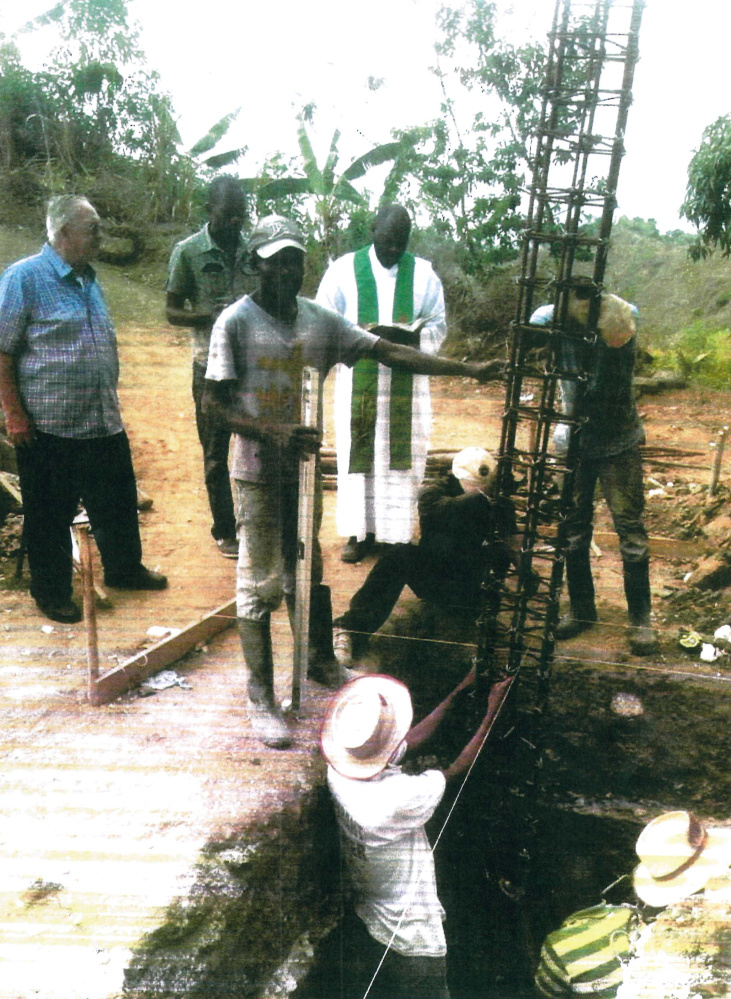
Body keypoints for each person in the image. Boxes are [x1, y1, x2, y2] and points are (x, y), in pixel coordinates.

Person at [202, 215, 503, 750]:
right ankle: (260, 695)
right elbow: (214, 405)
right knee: (259, 582)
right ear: (258, 264)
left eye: (296, 259)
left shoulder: (319, 321)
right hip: (256, 471)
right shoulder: (235, 323)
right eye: (278, 261)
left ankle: (318, 660)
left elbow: (387, 351)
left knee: (309, 567)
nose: (290, 270)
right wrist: (272, 431)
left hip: (301, 473)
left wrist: (466, 369)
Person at [0, 195, 167, 624]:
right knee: (49, 513)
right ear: (62, 233)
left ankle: (125, 570)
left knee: (115, 501)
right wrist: (14, 414)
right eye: (93, 228)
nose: (101, 235)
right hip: (49, 425)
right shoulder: (25, 278)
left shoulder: (88, 278)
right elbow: (2, 351)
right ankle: (52, 592)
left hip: (100, 418)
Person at [320, 670, 512, 999]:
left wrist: (460, 689)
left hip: (369, 912)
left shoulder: (341, 767)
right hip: (413, 935)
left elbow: (409, 740)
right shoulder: (394, 799)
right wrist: (494, 709)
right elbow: (457, 769)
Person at [530, 279, 657, 656]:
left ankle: (640, 619)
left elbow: (627, 318)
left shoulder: (619, 316)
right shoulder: (551, 318)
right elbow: (529, 332)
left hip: (619, 441)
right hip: (573, 441)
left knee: (630, 530)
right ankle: (582, 609)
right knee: (572, 530)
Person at [316, 204, 447, 563]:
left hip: (407, 386)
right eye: (387, 243)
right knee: (359, 456)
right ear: (373, 229)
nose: (392, 251)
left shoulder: (423, 274)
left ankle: (396, 536)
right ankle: (360, 534)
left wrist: (412, 340)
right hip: (359, 378)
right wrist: (355, 343)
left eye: (399, 245)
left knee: (400, 460)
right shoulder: (343, 271)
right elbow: (322, 321)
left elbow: (438, 325)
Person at [332, 446, 518, 666]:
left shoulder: (495, 502)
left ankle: (483, 614)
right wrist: (484, 497)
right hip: (436, 578)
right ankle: (350, 628)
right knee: (400, 556)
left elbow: (510, 541)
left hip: (472, 585)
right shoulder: (434, 494)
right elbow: (445, 510)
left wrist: (524, 568)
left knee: (497, 550)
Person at [165, 176, 253, 558]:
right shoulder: (187, 252)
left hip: (252, 366)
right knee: (215, 452)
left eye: (241, 214)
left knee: (256, 446)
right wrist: (208, 314)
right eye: (228, 214)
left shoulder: (255, 252)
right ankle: (225, 529)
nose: (236, 221)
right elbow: (171, 310)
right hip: (210, 367)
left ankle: (256, 523)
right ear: (209, 211)